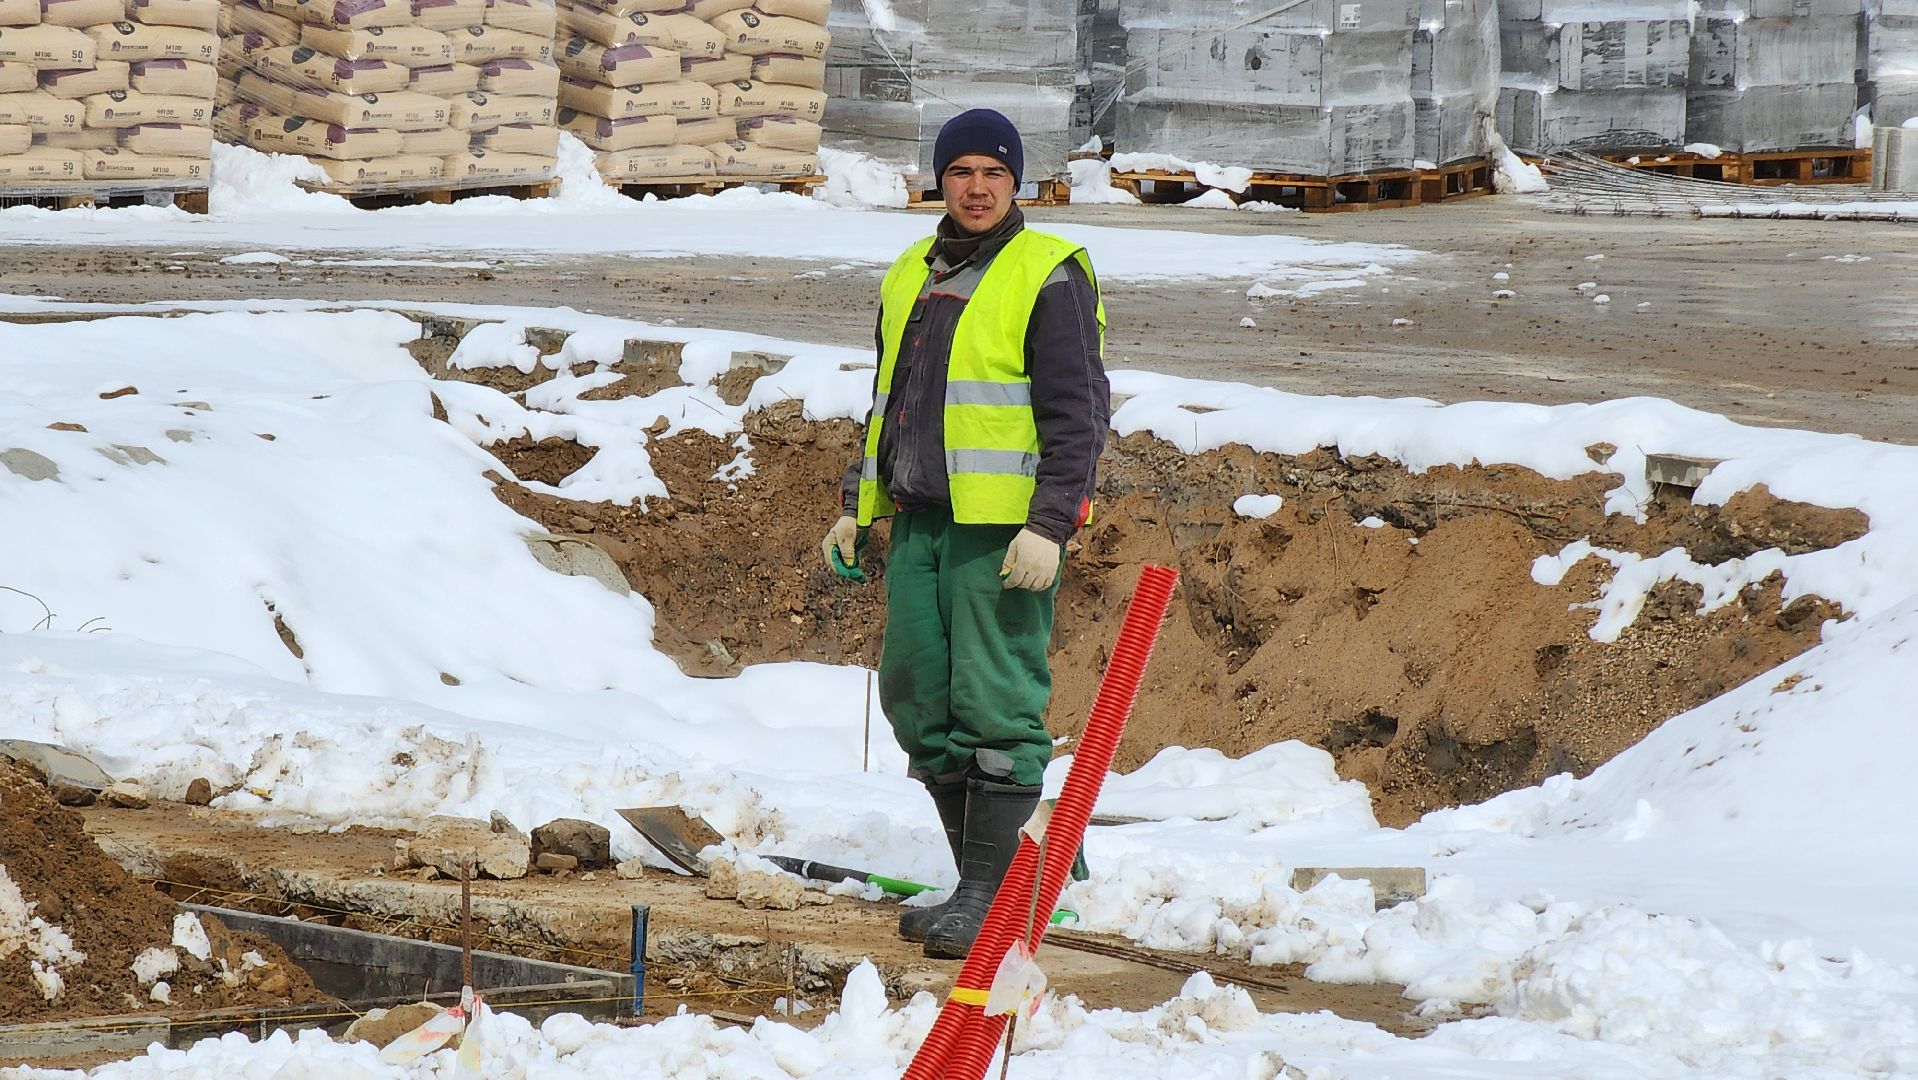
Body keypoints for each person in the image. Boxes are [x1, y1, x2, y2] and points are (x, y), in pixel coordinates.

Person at [821, 108, 1109, 960]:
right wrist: (857, 502)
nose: (976, 187)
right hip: (918, 520)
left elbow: (1078, 414)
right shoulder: (912, 269)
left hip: (1000, 533)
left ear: (1017, 181)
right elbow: (890, 403)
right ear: (937, 182)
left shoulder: (1047, 273)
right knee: (918, 703)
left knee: (994, 704)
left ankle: (994, 894)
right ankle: (976, 882)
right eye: (960, 172)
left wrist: (1050, 524)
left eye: (993, 171)